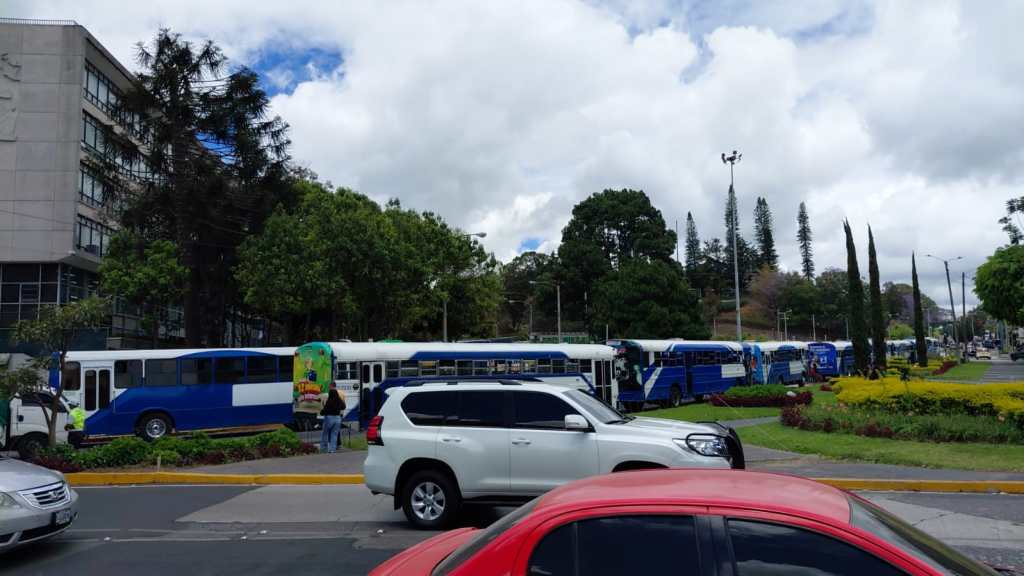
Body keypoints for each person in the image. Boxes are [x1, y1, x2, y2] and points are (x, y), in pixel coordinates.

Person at [319, 382, 345, 453]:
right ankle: (332, 450)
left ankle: (323, 448)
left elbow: (325, 410)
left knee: (325, 433)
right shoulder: (338, 399)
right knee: (334, 434)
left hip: (329, 418)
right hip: (338, 418)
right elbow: (344, 407)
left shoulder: (329, 401)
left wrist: (322, 413)